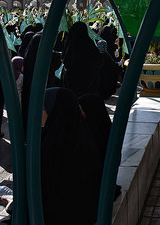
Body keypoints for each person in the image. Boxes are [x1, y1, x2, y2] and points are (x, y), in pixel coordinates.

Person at [41, 88, 103, 224]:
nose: (40, 114)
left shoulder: (52, 147)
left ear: (55, 112)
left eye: (43, 109)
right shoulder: (86, 140)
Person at [61, 21, 103, 97]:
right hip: (88, 82)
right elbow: (98, 61)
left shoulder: (71, 44)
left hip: (72, 81)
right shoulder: (90, 43)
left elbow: (66, 60)